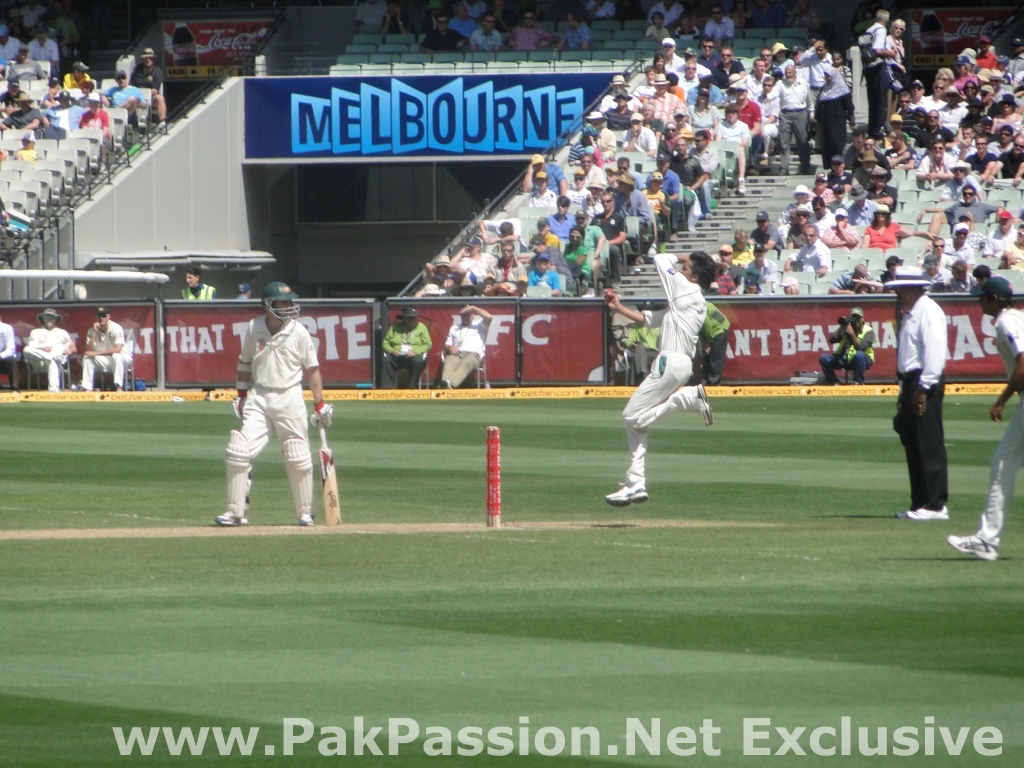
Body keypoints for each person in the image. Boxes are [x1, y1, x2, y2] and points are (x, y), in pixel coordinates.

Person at [603, 251, 716, 507]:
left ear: (695, 276)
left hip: (669, 362)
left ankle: (688, 398)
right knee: (638, 425)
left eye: (685, 268)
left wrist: (689, 255)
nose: (680, 270)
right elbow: (654, 320)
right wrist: (620, 308)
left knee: (629, 417)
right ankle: (635, 483)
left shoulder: (684, 287)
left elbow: (660, 259)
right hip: (681, 364)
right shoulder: (692, 300)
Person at [216, 282, 330, 527]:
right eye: (283, 303)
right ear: (268, 304)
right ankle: (235, 512)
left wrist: (319, 405)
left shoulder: (298, 331)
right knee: (238, 450)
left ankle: (306, 513)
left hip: (289, 397)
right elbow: (245, 363)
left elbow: (313, 370)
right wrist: (241, 394)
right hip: (259, 396)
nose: (289, 307)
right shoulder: (253, 327)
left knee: (297, 455)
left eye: (290, 302)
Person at [948, 277, 1024, 561]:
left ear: (994, 299)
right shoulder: (1017, 318)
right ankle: (987, 540)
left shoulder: (1007, 322)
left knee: (1001, 466)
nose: (978, 301)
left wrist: (1000, 401)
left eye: (982, 297)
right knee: (1001, 466)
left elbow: (1023, 363)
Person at [889, 267, 950, 521]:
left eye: (901, 288)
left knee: (928, 441)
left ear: (914, 287)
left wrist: (924, 387)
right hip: (910, 382)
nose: (898, 293)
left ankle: (936, 504)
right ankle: (920, 502)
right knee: (912, 441)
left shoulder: (929, 311)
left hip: (924, 381)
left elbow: (934, 352)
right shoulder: (912, 313)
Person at [75, 306, 129, 392]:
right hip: (105, 360)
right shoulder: (91, 330)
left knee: (116, 356)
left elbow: (117, 350)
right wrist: (95, 333)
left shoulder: (116, 328)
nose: (101, 318)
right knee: (87, 358)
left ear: (108, 316)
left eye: (104, 315)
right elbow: (89, 351)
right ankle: (87, 388)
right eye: (99, 316)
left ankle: (119, 387)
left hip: (122, 360)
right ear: (95, 317)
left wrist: (96, 353)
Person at [22, 308, 75, 391]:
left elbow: (73, 347)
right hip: (39, 363)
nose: (49, 319)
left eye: (52, 317)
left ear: (56, 320)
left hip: (58, 362)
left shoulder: (62, 332)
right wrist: (42, 348)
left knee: (53, 361)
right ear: (43, 319)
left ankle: (53, 390)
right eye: (47, 317)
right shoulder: (35, 332)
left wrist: (69, 351)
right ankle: (51, 357)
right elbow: (31, 347)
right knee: (26, 349)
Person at [440, 304, 493, 388]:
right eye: (464, 314)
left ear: (473, 314)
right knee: (449, 363)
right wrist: (450, 347)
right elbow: (447, 344)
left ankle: (450, 384)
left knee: (467, 362)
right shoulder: (454, 328)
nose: (466, 316)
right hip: (456, 353)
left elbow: (489, 317)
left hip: (474, 354)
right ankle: (445, 385)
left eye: (469, 313)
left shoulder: (479, 325)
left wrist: (473, 307)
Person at [819, 308, 875, 384]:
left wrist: (852, 334)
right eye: (854, 318)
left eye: (858, 318)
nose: (856, 320)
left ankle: (858, 381)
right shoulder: (846, 327)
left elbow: (861, 347)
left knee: (859, 355)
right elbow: (832, 340)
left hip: (863, 359)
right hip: (845, 357)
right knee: (824, 358)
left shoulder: (869, 331)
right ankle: (833, 381)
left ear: (862, 319)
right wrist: (842, 328)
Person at [382, 307, 432, 388]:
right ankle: (387, 388)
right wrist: (391, 351)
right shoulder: (394, 328)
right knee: (386, 360)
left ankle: (411, 387)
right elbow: (385, 343)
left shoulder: (421, 327)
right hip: (397, 356)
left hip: (413, 356)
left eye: (414, 318)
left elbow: (427, 344)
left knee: (417, 361)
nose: (414, 320)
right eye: (410, 318)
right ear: (404, 319)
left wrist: (415, 352)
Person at [0, 312, 17, 389]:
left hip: (3, 358)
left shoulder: (7, 328)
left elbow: (11, 349)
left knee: (11, 360)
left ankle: (14, 388)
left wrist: (1, 356)